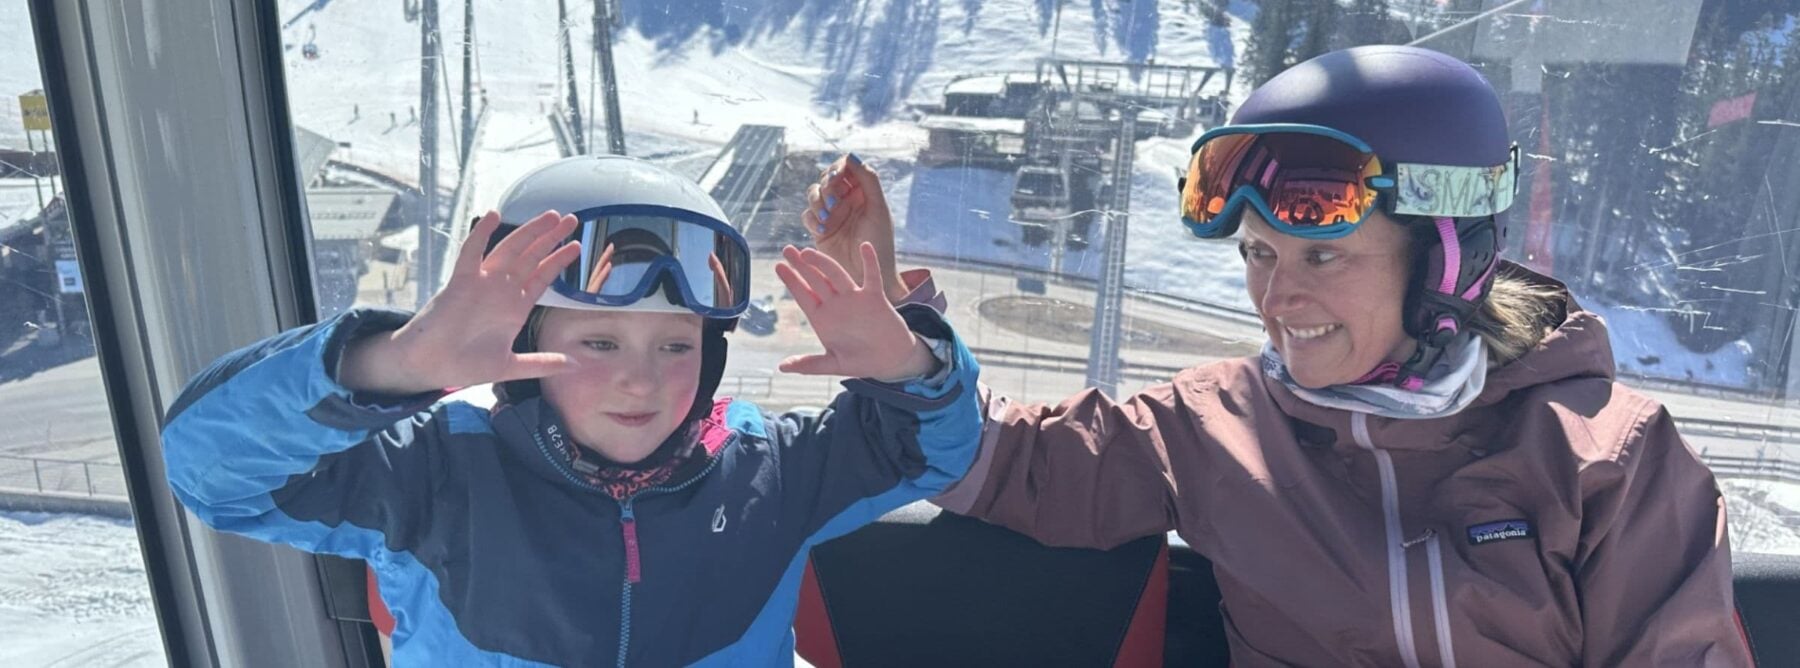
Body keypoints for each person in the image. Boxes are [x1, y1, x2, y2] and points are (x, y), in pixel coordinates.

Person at [804, 46, 1752, 666]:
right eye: (1258, 255)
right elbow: (1006, 466)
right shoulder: (1221, 426)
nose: (1276, 296)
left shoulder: (1604, 457)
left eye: (1322, 255)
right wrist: (900, 336)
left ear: (1443, 254)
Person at [161, 155, 983, 666]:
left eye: (676, 346)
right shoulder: (434, 472)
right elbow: (212, 473)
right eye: (598, 344)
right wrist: (397, 363)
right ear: (518, 347)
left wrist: (906, 352)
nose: (645, 383)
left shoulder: (765, 468)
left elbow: (932, 448)